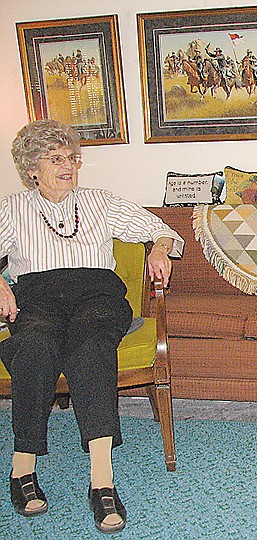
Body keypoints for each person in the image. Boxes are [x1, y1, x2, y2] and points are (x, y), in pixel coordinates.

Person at [0, 119, 184, 534]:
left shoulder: (99, 201)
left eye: (71, 158)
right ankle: (22, 468)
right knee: (34, 346)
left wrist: (158, 250)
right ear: (32, 168)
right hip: (37, 297)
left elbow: (163, 230)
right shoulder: (12, 209)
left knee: (88, 347)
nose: (68, 166)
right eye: (56, 159)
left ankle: (102, 481)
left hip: (97, 296)